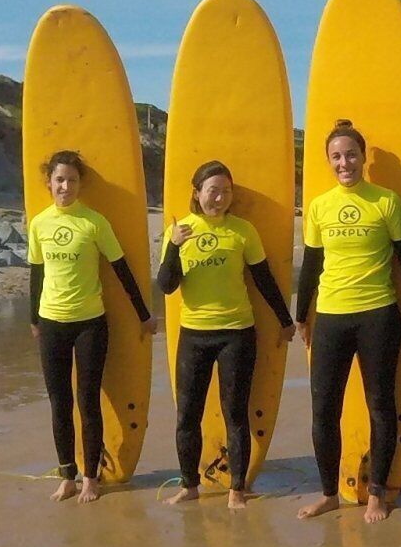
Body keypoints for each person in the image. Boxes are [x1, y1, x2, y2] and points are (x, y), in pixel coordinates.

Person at [158, 160, 294, 511]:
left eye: (225, 191)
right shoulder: (180, 230)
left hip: (236, 333)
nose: (219, 198)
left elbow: (264, 278)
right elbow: (167, 286)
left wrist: (285, 320)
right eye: (212, 190)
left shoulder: (242, 231)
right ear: (197, 193)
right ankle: (189, 485)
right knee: (188, 414)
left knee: (235, 413)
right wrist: (173, 246)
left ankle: (237, 488)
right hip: (194, 334)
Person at [296, 120, 401, 524]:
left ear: (363, 157)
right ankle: (329, 492)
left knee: (381, 405)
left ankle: (377, 492)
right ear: (329, 162)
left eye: (351, 154)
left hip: (378, 314)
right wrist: (301, 318)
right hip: (330, 316)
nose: (344, 162)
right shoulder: (319, 206)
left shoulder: (386, 201)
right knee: (324, 409)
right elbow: (311, 265)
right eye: (336, 156)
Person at [27, 150, 155, 504]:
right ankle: (66, 475)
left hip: (90, 324)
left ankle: (90, 478)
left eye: (71, 180)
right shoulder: (39, 224)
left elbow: (121, 269)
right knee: (59, 402)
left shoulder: (94, 222)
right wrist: (34, 319)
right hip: (52, 322)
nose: (65, 186)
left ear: (80, 184)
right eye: (59, 180)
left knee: (88, 401)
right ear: (49, 183)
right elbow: (35, 275)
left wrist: (144, 314)